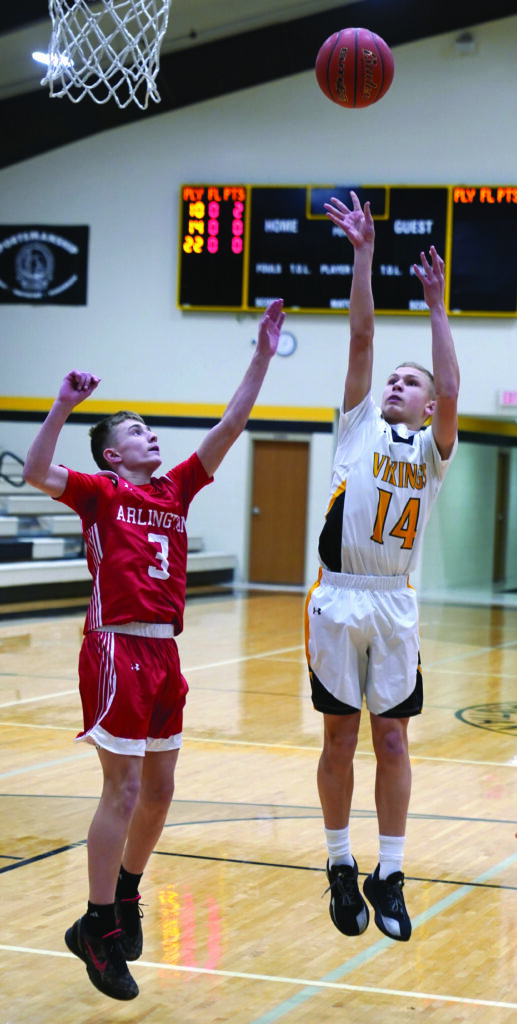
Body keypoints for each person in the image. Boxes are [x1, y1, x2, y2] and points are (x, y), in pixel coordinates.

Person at [23, 298, 285, 1001]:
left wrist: (261, 353)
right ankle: (99, 925)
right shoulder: (99, 492)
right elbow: (34, 473)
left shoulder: (175, 489)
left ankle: (127, 895)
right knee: (125, 788)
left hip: (164, 653)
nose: (150, 436)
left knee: (162, 791)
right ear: (113, 452)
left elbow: (232, 425)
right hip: (114, 648)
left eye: (149, 429)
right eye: (137, 431)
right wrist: (61, 405)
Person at [306, 193, 459, 943]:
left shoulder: (432, 452)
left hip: (394, 602)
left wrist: (437, 307)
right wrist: (363, 255)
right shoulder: (357, 422)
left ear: (429, 408)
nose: (395, 384)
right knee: (338, 741)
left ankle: (389, 872)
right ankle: (339, 865)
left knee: (392, 742)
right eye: (394, 380)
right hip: (337, 597)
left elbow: (454, 386)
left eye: (410, 382)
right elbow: (361, 335)